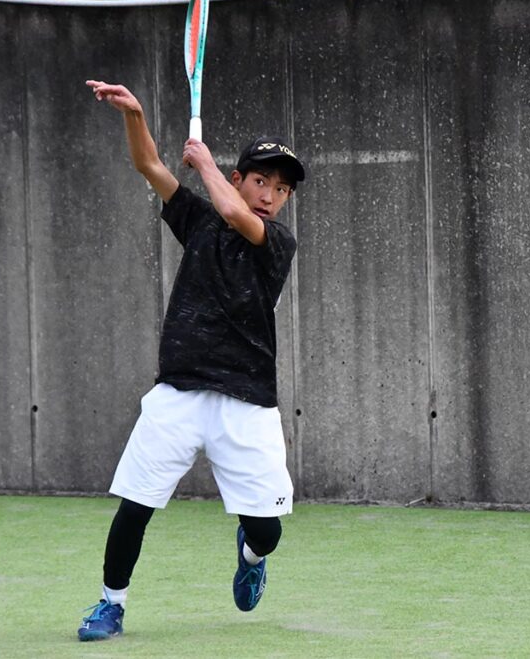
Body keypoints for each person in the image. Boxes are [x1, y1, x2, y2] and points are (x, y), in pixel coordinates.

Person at [77, 80, 306, 641]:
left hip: (246, 401)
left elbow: (230, 210)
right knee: (135, 507)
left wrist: (203, 162)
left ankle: (250, 556)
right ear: (240, 178)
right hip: (178, 391)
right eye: (260, 181)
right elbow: (149, 165)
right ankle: (110, 605)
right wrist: (135, 115)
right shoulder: (200, 221)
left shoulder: (277, 243)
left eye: (280, 189)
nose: (269, 195)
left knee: (268, 530)